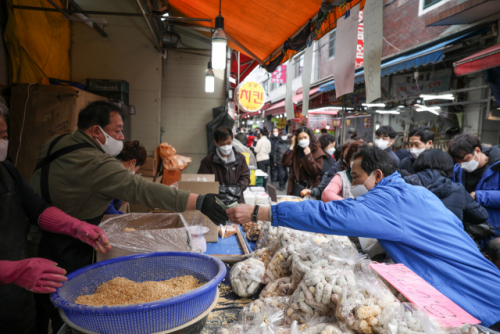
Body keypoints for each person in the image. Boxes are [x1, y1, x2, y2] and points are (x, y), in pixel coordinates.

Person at [226, 147, 500, 329]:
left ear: (377, 175)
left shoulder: (389, 200)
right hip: (488, 284)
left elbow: (327, 215)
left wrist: (260, 211)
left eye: (355, 178)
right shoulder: (418, 193)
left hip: (473, 300)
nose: (352, 186)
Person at [30, 101, 227, 333]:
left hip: (32, 238)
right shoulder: (96, 163)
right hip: (64, 248)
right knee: (67, 314)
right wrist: (199, 201)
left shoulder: (54, 143)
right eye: (117, 130)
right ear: (96, 131)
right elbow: (142, 189)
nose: (122, 136)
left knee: (38, 311)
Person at [0, 105, 111, 334]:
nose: (2, 143)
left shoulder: (6, 172)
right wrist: (10, 270)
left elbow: (37, 209)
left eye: (3, 136)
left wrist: (76, 226)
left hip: (18, 304)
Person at [403, 149, 491, 248]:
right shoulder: (457, 189)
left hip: (411, 244)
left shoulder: (404, 184)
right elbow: (481, 216)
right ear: (448, 166)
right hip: (449, 245)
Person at [449, 134, 500, 236]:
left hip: (494, 231)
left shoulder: (497, 168)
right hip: (467, 231)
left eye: (466, 159)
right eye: (459, 161)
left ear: (477, 151)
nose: (462, 165)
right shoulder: (457, 170)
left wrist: (478, 196)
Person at [198, 126, 250, 204]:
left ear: (232, 141)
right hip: (216, 203)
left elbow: (245, 177)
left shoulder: (240, 158)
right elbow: (203, 183)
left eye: (229, 143)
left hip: (237, 202)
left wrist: (234, 190)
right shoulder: (207, 161)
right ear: (216, 143)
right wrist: (220, 191)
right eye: (223, 144)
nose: (226, 147)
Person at [105, 140, 149, 215]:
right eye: (136, 169)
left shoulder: (112, 165)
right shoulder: (114, 173)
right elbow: (106, 207)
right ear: (132, 163)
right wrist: (123, 218)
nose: (134, 172)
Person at [282, 127, 328, 196]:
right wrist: (292, 145)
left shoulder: (318, 151)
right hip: (295, 188)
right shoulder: (296, 150)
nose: (303, 140)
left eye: (305, 137)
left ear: (310, 138)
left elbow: (315, 172)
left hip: (309, 189)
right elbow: (285, 162)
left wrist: (309, 156)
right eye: (300, 138)